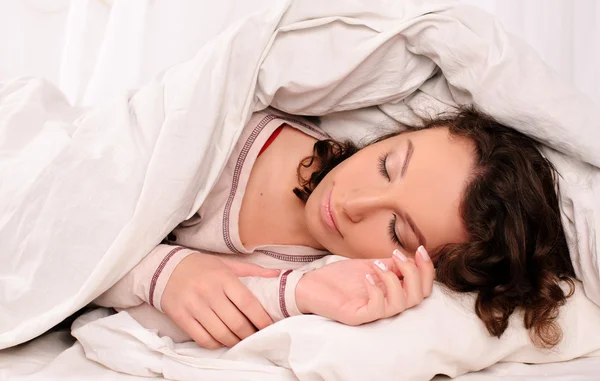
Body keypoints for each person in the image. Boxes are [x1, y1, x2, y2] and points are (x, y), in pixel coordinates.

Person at [95, 106, 575, 351]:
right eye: (388, 165)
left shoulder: (309, 276)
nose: (351, 202)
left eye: (398, 232)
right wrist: (158, 270)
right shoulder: (246, 120)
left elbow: (99, 305)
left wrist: (300, 294)